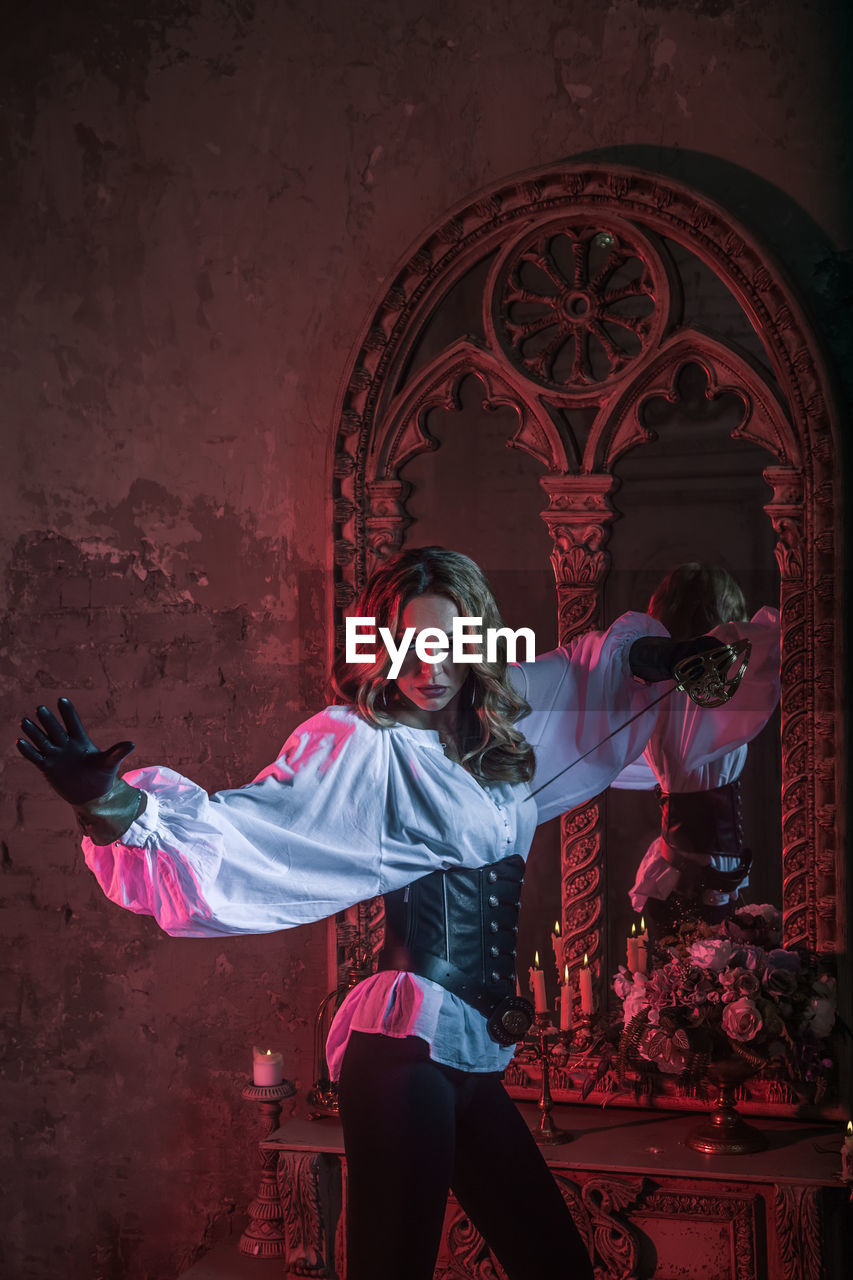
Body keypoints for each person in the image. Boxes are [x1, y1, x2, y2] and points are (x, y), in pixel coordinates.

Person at [17, 546, 728, 1280]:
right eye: (411, 647)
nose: (432, 670)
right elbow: (251, 827)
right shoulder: (362, 743)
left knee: (554, 1265)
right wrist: (108, 803)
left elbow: (586, 675)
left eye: (450, 645)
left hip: (470, 1048)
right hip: (401, 1047)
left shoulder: (500, 731)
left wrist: (664, 655)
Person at [611, 562, 781, 931]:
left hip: (697, 867)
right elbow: (779, 633)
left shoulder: (666, 689)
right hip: (694, 872)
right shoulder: (696, 689)